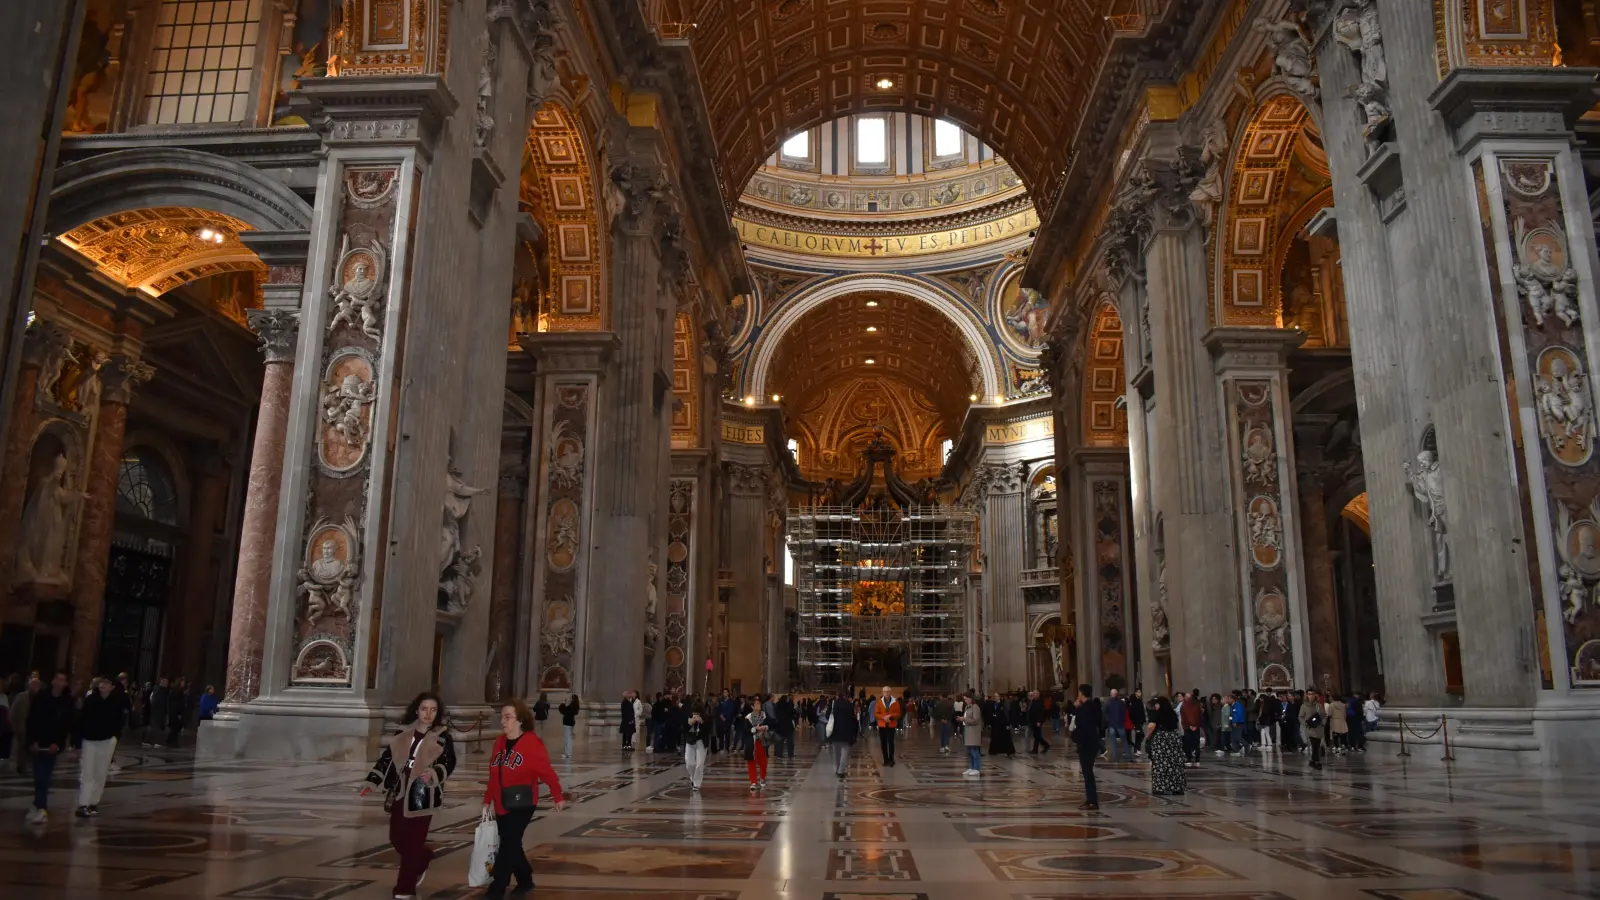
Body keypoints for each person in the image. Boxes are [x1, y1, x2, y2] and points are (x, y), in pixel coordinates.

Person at [362, 692, 455, 900]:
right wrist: (372, 781)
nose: (428, 714)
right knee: (396, 838)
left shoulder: (442, 736)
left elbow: (449, 762)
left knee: (413, 843)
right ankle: (423, 858)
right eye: (424, 709)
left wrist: (433, 773)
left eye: (433, 710)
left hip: (423, 795)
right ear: (417, 710)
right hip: (399, 791)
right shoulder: (403, 733)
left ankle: (405, 888)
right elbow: (387, 759)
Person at [483, 699, 565, 899]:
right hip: (502, 801)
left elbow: (546, 772)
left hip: (523, 802)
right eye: (502, 717)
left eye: (508, 717)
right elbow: (494, 775)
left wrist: (558, 796)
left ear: (520, 720)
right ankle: (525, 879)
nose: (503, 721)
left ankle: (497, 889)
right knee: (512, 843)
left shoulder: (532, 743)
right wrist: (487, 800)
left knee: (508, 843)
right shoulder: (499, 743)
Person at [74, 676, 126, 818]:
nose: (102, 685)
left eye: (106, 683)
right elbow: (81, 721)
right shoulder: (90, 701)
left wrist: (115, 737)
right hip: (89, 740)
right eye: (101, 682)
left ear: (112, 687)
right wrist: (77, 742)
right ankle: (83, 804)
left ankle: (93, 803)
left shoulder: (115, 702)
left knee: (101, 773)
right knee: (88, 772)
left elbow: (120, 720)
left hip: (106, 741)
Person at [26, 671, 74, 824]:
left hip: (53, 745)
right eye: (57, 679)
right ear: (52, 680)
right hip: (38, 742)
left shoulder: (67, 701)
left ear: (66, 683)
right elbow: (32, 719)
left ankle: (41, 807)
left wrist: (58, 743)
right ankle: (37, 804)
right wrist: (31, 741)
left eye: (63, 680)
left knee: (43, 776)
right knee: (38, 776)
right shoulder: (42, 696)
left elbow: (66, 725)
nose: (59, 682)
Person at [1144, 695, 1185, 796]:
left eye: (1157, 704)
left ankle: (1160, 787)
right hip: (1174, 739)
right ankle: (1177, 787)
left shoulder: (1157, 714)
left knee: (1160, 764)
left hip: (1161, 740)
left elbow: (1152, 726)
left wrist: (1147, 737)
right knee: (1175, 764)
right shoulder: (1173, 713)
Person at [1072, 684, 1101, 810]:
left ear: (1082, 693)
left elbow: (1082, 726)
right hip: (1093, 742)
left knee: (1087, 773)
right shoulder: (1094, 706)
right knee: (1088, 772)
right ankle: (1090, 799)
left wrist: (1079, 742)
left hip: (1086, 743)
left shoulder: (1084, 709)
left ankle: (1092, 801)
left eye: (1079, 692)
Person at [739, 701, 770, 790]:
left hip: (762, 741)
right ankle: (753, 781)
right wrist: (755, 729)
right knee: (751, 761)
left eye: (759, 704)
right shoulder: (748, 717)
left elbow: (770, 724)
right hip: (752, 742)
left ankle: (762, 778)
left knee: (763, 762)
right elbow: (746, 730)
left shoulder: (764, 715)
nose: (759, 705)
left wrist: (765, 727)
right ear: (752, 706)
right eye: (756, 704)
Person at [827, 687, 858, 778]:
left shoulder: (833, 704)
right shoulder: (849, 705)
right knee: (845, 751)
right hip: (846, 731)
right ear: (845, 695)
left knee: (837, 752)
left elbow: (827, 715)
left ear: (837, 694)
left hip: (835, 730)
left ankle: (837, 769)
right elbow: (853, 718)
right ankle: (841, 771)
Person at [11, 674, 38, 776]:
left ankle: (28, 765)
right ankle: (21, 765)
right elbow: (13, 711)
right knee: (22, 747)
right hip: (21, 726)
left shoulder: (39, 698)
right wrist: (14, 725)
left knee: (31, 747)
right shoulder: (21, 697)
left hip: (33, 727)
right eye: (33, 685)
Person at [871, 685, 901, 766]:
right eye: (885, 691)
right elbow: (876, 714)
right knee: (883, 743)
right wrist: (883, 717)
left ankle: (891, 759)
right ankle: (885, 760)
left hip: (891, 725)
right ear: (882, 692)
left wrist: (890, 716)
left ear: (890, 692)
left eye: (888, 691)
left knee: (891, 742)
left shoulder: (895, 702)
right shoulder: (879, 702)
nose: (886, 693)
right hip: (882, 725)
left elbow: (898, 713)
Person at [684, 707, 709, 791]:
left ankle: (697, 783)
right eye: (694, 714)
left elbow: (708, 731)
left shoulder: (706, 719)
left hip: (701, 741)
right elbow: (682, 729)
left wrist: (702, 722)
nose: (695, 716)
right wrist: (689, 724)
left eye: (697, 714)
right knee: (689, 762)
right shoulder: (688, 719)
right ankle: (692, 778)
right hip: (690, 741)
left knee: (699, 763)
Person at [1301, 689, 1326, 770]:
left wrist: (1323, 722)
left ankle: (1313, 760)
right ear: (1307, 695)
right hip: (1310, 728)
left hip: (1318, 727)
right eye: (1309, 694)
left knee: (1317, 744)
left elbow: (1324, 715)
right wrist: (1305, 723)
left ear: (1315, 695)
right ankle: (1317, 761)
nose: (1311, 696)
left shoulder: (1318, 706)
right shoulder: (1304, 706)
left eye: (1312, 694)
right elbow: (1300, 716)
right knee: (1314, 744)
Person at [1103, 689, 1131, 762]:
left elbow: (1104, 712)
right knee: (1124, 740)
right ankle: (1129, 756)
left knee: (1113, 741)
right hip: (1120, 724)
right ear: (1117, 694)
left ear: (1111, 694)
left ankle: (1115, 757)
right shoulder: (1121, 703)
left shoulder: (1107, 702)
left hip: (1111, 724)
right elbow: (1125, 712)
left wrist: (1108, 720)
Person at [987, 693, 1016, 758]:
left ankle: (1009, 751)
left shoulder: (1003, 705)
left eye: (997, 696)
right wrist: (989, 723)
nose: (995, 698)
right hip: (995, 724)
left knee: (1006, 737)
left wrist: (1008, 723)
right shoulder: (992, 705)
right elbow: (989, 714)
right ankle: (994, 750)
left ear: (999, 697)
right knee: (994, 737)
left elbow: (1007, 714)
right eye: (994, 697)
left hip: (1003, 724)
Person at [961, 692, 983, 776]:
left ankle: (977, 768)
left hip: (974, 731)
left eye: (966, 699)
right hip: (968, 730)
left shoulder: (975, 707)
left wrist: (964, 719)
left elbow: (975, 720)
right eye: (964, 699)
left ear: (971, 699)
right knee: (969, 751)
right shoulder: (967, 707)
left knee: (974, 750)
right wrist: (962, 719)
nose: (965, 701)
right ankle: (971, 767)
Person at [144, 677, 169, 748]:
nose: (167, 684)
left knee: (154, 727)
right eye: (166, 682)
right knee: (157, 727)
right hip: (158, 712)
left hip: (156, 712)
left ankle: (148, 741)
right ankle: (157, 742)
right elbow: (159, 702)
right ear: (162, 682)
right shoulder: (160, 691)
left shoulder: (158, 690)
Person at [1027, 689, 1050, 753]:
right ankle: (1046, 745)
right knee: (1036, 736)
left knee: (1037, 736)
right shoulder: (1033, 701)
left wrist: (1039, 721)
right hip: (1033, 721)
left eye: (1034, 693)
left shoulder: (1040, 702)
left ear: (1038, 694)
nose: (1033, 695)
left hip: (1037, 722)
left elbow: (1041, 713)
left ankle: (1035, 749)